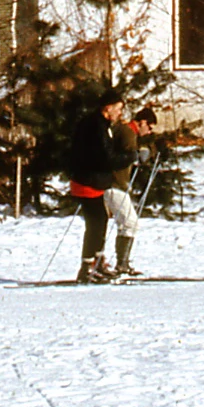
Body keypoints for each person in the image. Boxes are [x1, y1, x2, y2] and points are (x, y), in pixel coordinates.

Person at [64, 92, 145, 283]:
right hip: (87, 181)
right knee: (96, 224)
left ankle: (97, 263)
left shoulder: (100, 124)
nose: (120, 113)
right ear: (107, 108)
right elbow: (106, 158)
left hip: (94, 181)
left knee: (100, 221)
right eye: (117, 108)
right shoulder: (96, 126)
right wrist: (132, 157)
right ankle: (87, 268)